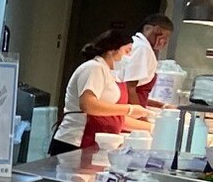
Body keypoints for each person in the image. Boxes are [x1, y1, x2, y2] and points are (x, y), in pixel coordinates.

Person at [49, 26, 155, 155]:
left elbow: (115, 118)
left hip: (95, 143)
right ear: (112, 51)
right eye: (127, 51)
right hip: (75, 142)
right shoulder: (93, 68)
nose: (130, 57)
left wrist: (152, 128)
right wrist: (130, 109)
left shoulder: (111, 74)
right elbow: (88, 105)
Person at [115, 11, 174, 106]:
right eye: (166, 36)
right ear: (157, 30)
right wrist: (140, 117)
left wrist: (161, 105)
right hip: (125, 109)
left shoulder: (142, 46)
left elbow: (138, 93)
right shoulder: (142, 48)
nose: (165, 41)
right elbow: (130, 88)